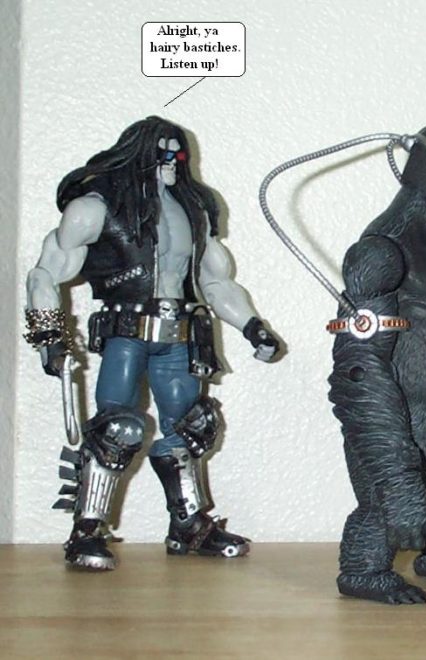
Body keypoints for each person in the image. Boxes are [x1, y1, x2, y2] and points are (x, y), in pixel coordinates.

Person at [24, 116, 281, 570]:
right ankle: (87, 529)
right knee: (116, 429)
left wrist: (251, 326)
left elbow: (216, 282)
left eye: (177, 151)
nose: (170, 159)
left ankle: (188, 525)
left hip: (179, 334)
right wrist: (49, 337)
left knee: (191, 427)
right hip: (126, 333)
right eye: (160, 150)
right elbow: (46, 272)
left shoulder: (194, 212)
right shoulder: (95, 208)